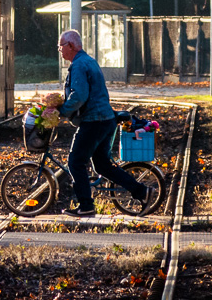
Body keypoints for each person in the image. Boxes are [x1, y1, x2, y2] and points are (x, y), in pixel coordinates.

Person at [57, 29, 149, 217]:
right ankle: (141, 191)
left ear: (71, 46)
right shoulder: (89, 61)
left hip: (94, 121)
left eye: (61, 46)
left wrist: (62, 111)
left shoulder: (79, 65)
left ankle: (86, 205)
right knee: (102, 165)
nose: (59, 50)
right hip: (106, 119)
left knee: (75, 162)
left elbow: (80, 95)